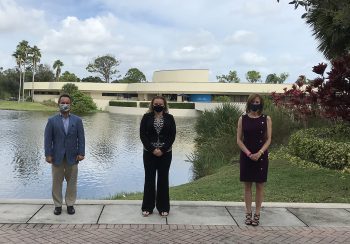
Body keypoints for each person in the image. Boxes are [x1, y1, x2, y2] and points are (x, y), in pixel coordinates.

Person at [44, 94, 85, 215]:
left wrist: (81, 153)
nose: (65, 105)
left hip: (73, 157)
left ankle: (70, 204)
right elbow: (47, 139)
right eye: (63, 102)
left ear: (70, 105)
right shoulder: (52, 121)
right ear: (59, 104)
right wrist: (48, 154)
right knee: (57, 183)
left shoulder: (77, 121)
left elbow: (81, 138)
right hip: (56, 157)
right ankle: (57, 205)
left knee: (72, 183)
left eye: (67, 103)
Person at [236, 93, 272, 226]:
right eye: (253, 102)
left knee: (260, 186)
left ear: (261, 104)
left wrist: (260, 153)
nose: (255, 104)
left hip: (261, 156)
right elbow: (239, 140)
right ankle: (248, 213)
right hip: (247, 156)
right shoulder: (242, 119)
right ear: (249, 103)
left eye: (258, 102)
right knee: (247, 186)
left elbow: (268, 139)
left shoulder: (266, 119)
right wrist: (249, 154)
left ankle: (257, 214)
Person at [140, 95, 176, 217]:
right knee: (149, 179)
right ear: (152, 104)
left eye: (161, 104)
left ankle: (163, 207)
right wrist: (152, 149)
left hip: (166, 154)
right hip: (149, 153)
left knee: (163, 179)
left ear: (164, 105)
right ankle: (147, 207)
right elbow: (142, 135)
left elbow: (172, 136)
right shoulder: (146, 117)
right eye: (156, 104)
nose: (158, 106)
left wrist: (162, 149)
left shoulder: (170, 118)